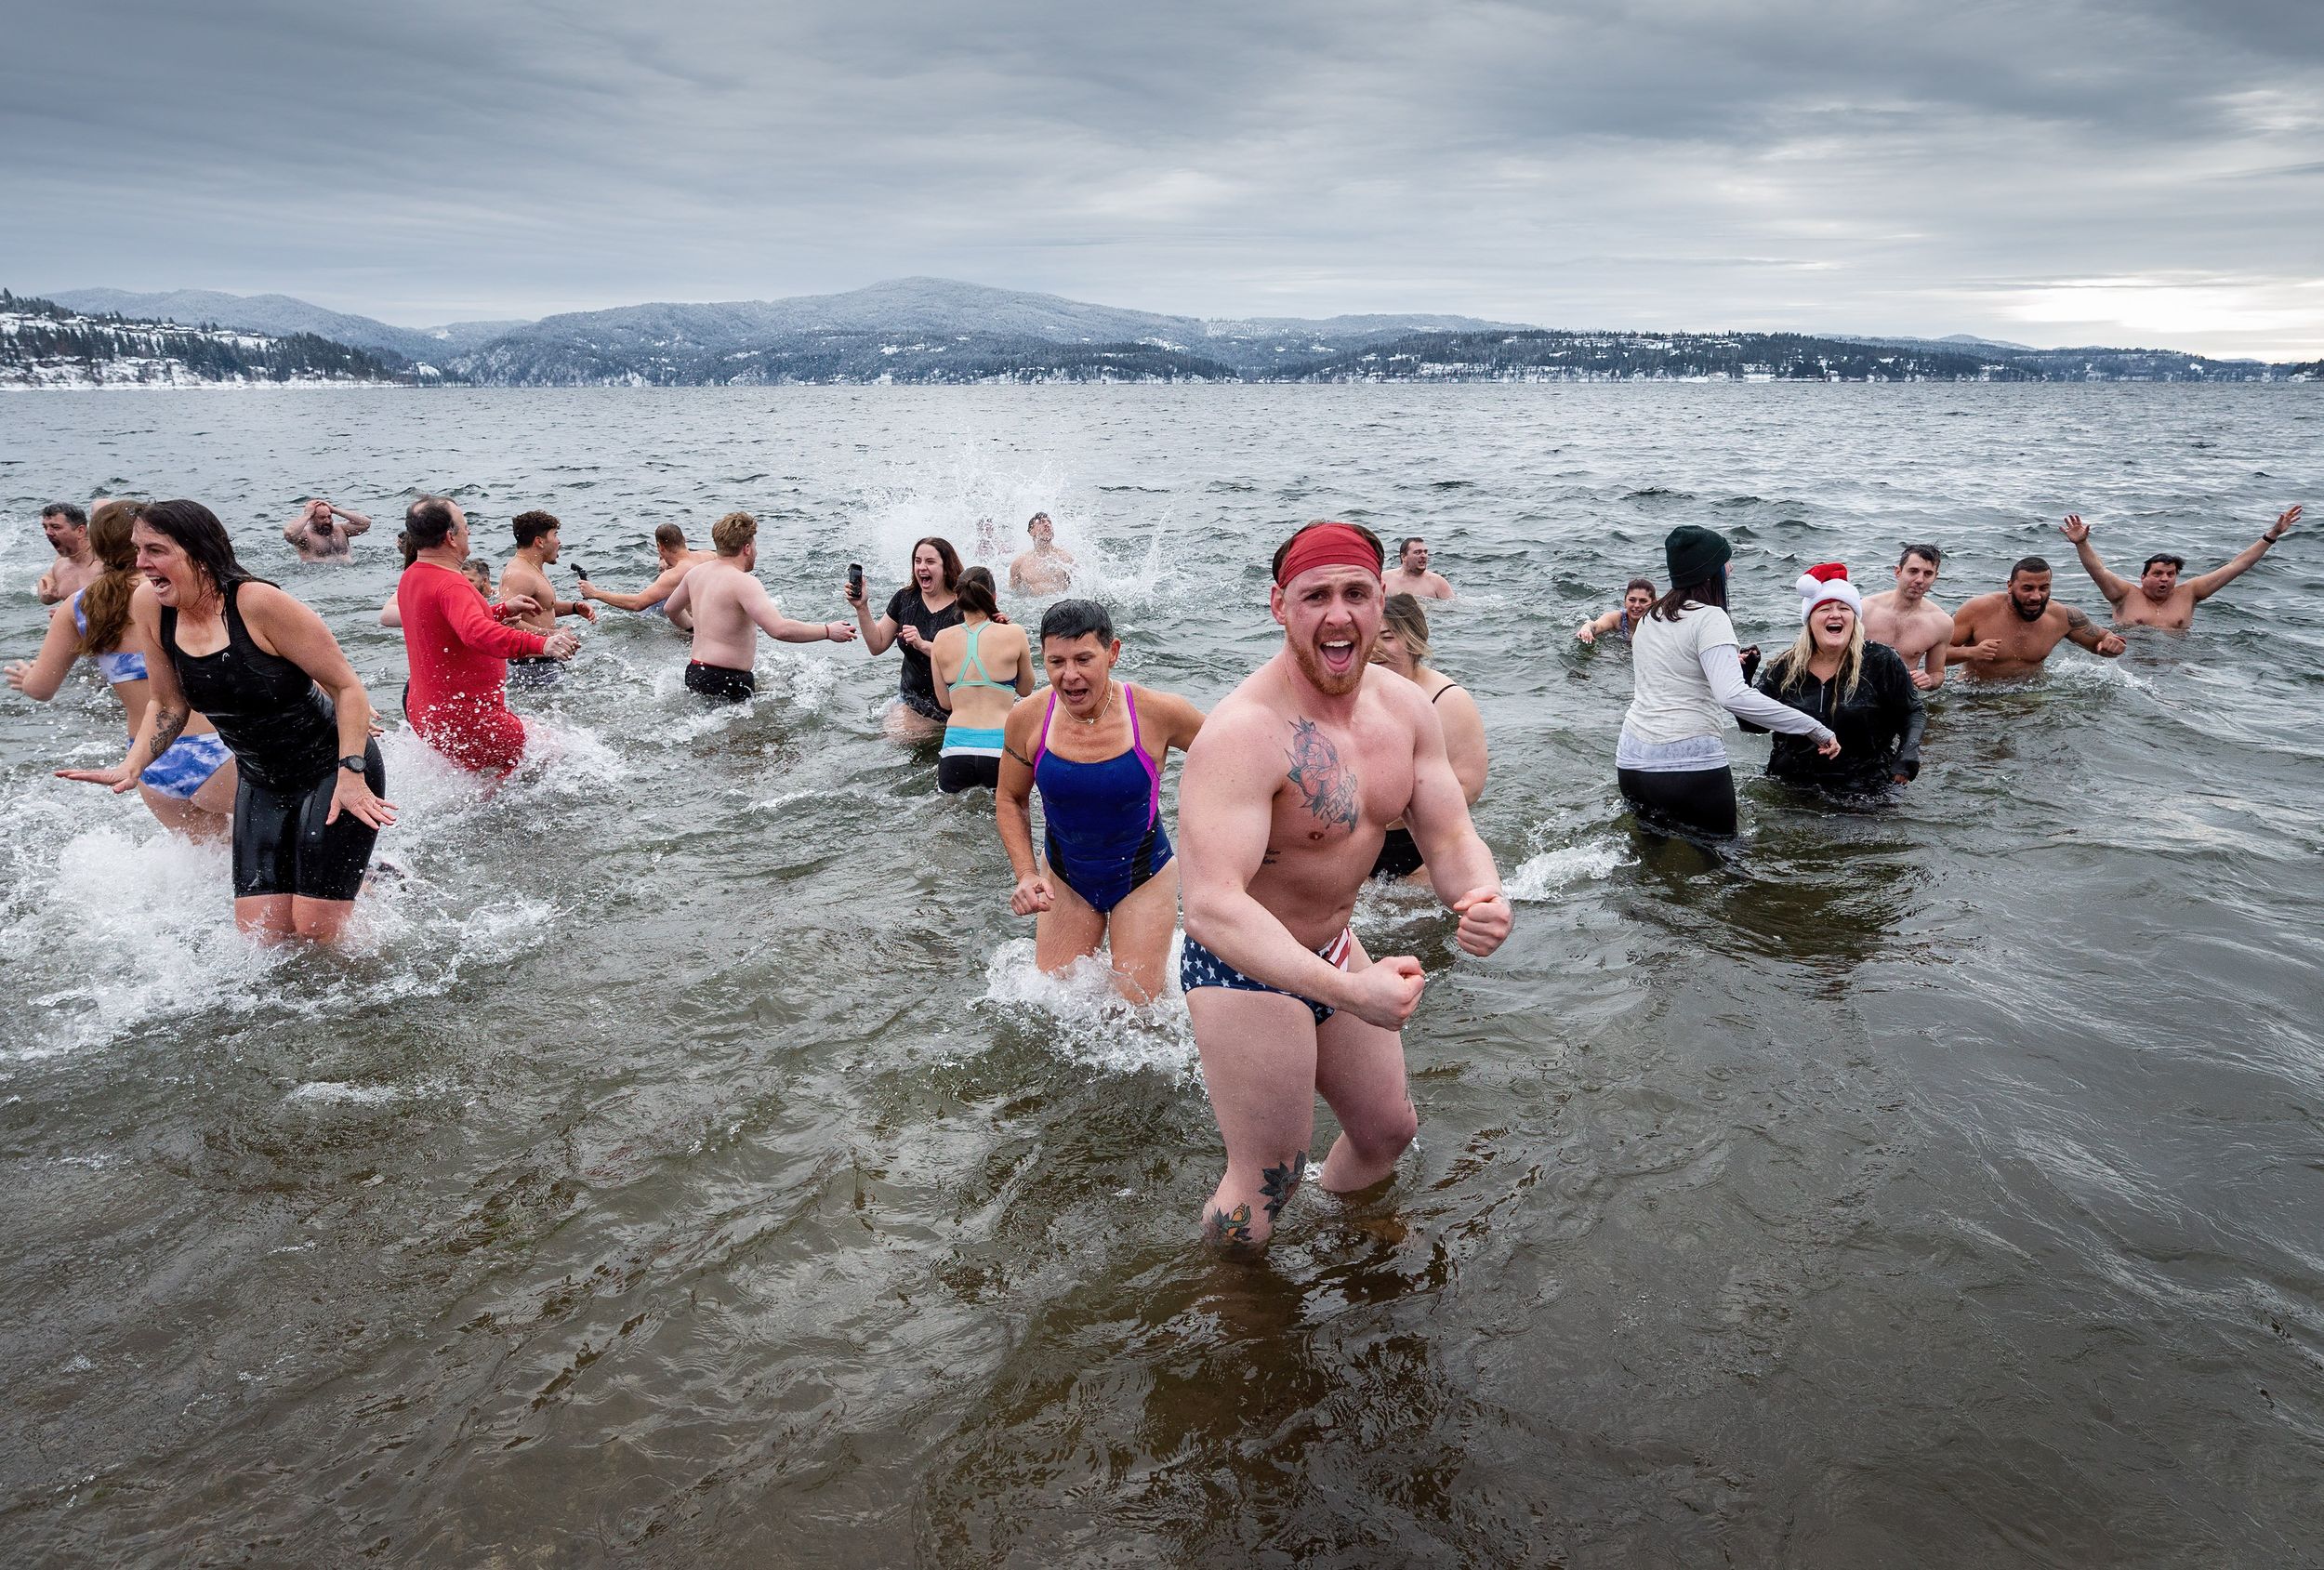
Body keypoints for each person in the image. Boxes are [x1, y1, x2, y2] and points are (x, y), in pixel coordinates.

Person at [1176, 521, 1507, 1250]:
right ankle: (1236, 1309)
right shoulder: (1243, 733)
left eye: (1356, 593)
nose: (1337, 613)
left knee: (1389, 1130)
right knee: (1270, 1177)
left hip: (1332, 946)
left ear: (1381, 601)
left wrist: (1480, 895)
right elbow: (1210, 904)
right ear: (1278, 605)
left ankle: (1346, 1241)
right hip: (1243, 968)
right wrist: (1355, 993)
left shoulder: (1406, 711)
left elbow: (1449, 834)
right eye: (1315, 594)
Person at [59, 500, 394, 944]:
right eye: (138, 550)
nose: (140, 563)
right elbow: (166, 703)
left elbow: (347, 688)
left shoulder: (258, 603)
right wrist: (133, 765)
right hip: (260, 779)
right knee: (262, 934)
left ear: (197, 552)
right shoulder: (152, 605)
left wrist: (351, 774)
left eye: (154, 550)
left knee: (319, 931)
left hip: (332, 770)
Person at [995, 599, 1204, 1001]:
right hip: (1065, 878)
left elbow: (1233, 759)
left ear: (1113, 652)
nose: (1070, 676)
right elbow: (1009, 798)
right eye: (1056, 662)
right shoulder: (1028, 718)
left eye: (1084, 659)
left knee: (1138, 1014)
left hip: (1143, 876)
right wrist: (1025, 873)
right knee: (1055, 1008)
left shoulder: (1158, 712)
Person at [8, 499, 237, 838]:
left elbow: (42, 689)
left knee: (214, 869)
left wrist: (28, 678)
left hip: (150, 763)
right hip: (216, 748)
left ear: (97, 546)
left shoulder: (79, 607)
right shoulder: (171, 594)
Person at [1616, 524, 1839, 838]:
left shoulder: (1651, 617)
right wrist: (1815, 728)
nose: (1730, 569)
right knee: (1726, 865)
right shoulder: (1710, 617)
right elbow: (1732, 697)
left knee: (1652, 865)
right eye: (1726, 563)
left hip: (1632, 760)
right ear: (1710, 573)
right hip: (1687, 764)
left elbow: (1672, 671)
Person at [397, 496, 577, 771]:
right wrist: (543, 644)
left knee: (495, 776)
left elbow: (448, 627)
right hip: (469, 719)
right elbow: (475, 633)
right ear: (450, 537)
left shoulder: (413, 575)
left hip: (428, 713)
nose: (469, 531)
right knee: (561, 755)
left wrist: (502, 609)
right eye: (465, 525)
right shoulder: (451, 585)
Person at [1742, 564, 1924, 794]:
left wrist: (1907, 753)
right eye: (1824, 608)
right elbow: (1752, 725)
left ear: (1855, 619)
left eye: (1844, 608)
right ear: (1810, 621)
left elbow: (1912, 711)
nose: (1835, 614)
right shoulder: (1785, 667)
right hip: (1792, 785)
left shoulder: (1881, 660)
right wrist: (1744, 680)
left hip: (1864, 788)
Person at [663, 511, 856, 701]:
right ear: (746, 548)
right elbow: (779, 630)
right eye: (755, 545)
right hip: (727, 679)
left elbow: (670, 609)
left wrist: (692, 627)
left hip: (695, 671)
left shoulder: (696, 574)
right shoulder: (743, 582)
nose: (756, 551)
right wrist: (828, 631)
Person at [1367, 593, 1487, 880]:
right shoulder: (1357, 693)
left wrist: (1395, 810)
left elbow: (1469, 786)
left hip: (1420, 842)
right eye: (1369, 638)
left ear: (1413, 640)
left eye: (1387, 637)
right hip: (1363, 839)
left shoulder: (1448, 699)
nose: (1375, 650)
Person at [2060, 506, 2301, 630]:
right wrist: (2082, 543)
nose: (2164, 579)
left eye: (2170, 574)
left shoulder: (2190, 593)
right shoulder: (2123, 595)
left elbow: (2237, 566)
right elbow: (2098, 571)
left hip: (2178, 661)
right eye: (2157, 574)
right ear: (2143, 577)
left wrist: (2272, 535)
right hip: (2132, 661)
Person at [847, 536, 964, 740]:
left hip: (956, 704)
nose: (921, 567)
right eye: (917, 561)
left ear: (946, 568)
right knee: (893, 738)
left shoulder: (963, 607)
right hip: (912, 700)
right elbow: (877, 645)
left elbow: (972, 657)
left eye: (930, 562)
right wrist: (862, 607)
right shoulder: (905, 598)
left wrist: (923, 645)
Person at [930, 566, 1032, 791]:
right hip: (999, 747)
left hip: (955, 750)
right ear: (994, 597)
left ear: (957, 598)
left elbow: (945, 703)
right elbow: (1026, 689)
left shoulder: (941, 639)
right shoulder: (1014, 633)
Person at [1947, 557, 2126, 680]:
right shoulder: (1978, 610)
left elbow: (2101, 639)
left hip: (2029, 697)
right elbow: (1937, 654)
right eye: (2027, 588)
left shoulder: (2063, 616)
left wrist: (2109, 644)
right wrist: (1971, 652)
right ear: (2010, 586)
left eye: (2043, 588)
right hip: (1975, 696)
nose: (2036, 596)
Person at [498, 510, 596, 688]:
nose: (559, 542)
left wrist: (574, 608)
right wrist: (554, 635)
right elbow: (509, 622)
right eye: (555, 535)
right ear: (539, 541)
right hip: (529, 668)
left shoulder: (532, 568)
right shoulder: (519, 575)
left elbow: (539, 608)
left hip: (543, 661)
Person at [576, 522, 713, 627]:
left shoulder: (673, 575)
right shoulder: (710, 556)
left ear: (660, 547)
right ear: (684, 539)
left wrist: (595, 593)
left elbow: (637, 603)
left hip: (694, 633)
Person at [1859, 544, 1954, 690]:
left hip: (1901, 695)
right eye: (1913, 571)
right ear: (1898, 572)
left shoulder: (1941, 623)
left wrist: (1929, 680)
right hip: (1859, 691)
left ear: (1936, 577)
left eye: (1928, 574)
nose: (1920, 579)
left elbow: (1937, 673)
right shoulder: (1864, 610)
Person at [378, 547, 495, 627]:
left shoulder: (497, 596)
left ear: (485, 581)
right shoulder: (442, 586)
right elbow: (386, 616)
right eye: (464, 580)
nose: (466, 584)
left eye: (470, 581)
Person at [34, 502, 99, 604]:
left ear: (80, 531)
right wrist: (47, 595)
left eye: (55, 527)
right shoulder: (60, 565)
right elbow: (45, 586)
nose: (47, 533)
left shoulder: (105, 558)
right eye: (45, 527)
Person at [282, 497, 373, 562]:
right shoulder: (306, 536)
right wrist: (307, 514)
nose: (327, 521)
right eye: (322, 518)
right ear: (311, 519)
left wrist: (335, 510)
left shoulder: (341, 529)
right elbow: (290, 534)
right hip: (317, 575)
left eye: (329, 516)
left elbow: (365, 523)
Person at [1007, 512, 1076, 594]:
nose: (1047, 524)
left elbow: (1078, 588)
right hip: (1033, 606)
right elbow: (1013, 594)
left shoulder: (1065, 558)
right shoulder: (1019, 564)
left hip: (1060, 605)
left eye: (1049, 522)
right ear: (1031, 531)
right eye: (1041, 522)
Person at [1576, 578, 1657, 644]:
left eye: (1643, 601)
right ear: (1625, 601)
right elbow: (1597, 625)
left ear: (1653, 603)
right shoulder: (1617, 618)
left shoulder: (1658, 621)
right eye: (1632, 600)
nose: (1636, 605)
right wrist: (1586, 629)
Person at [1380, 536, 1454, 600]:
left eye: (1425, 552)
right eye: (1417, 552)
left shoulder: (1438, 583)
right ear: (1403, 557)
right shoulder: (1385, 579)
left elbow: (1453, 609)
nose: (1423, 556)